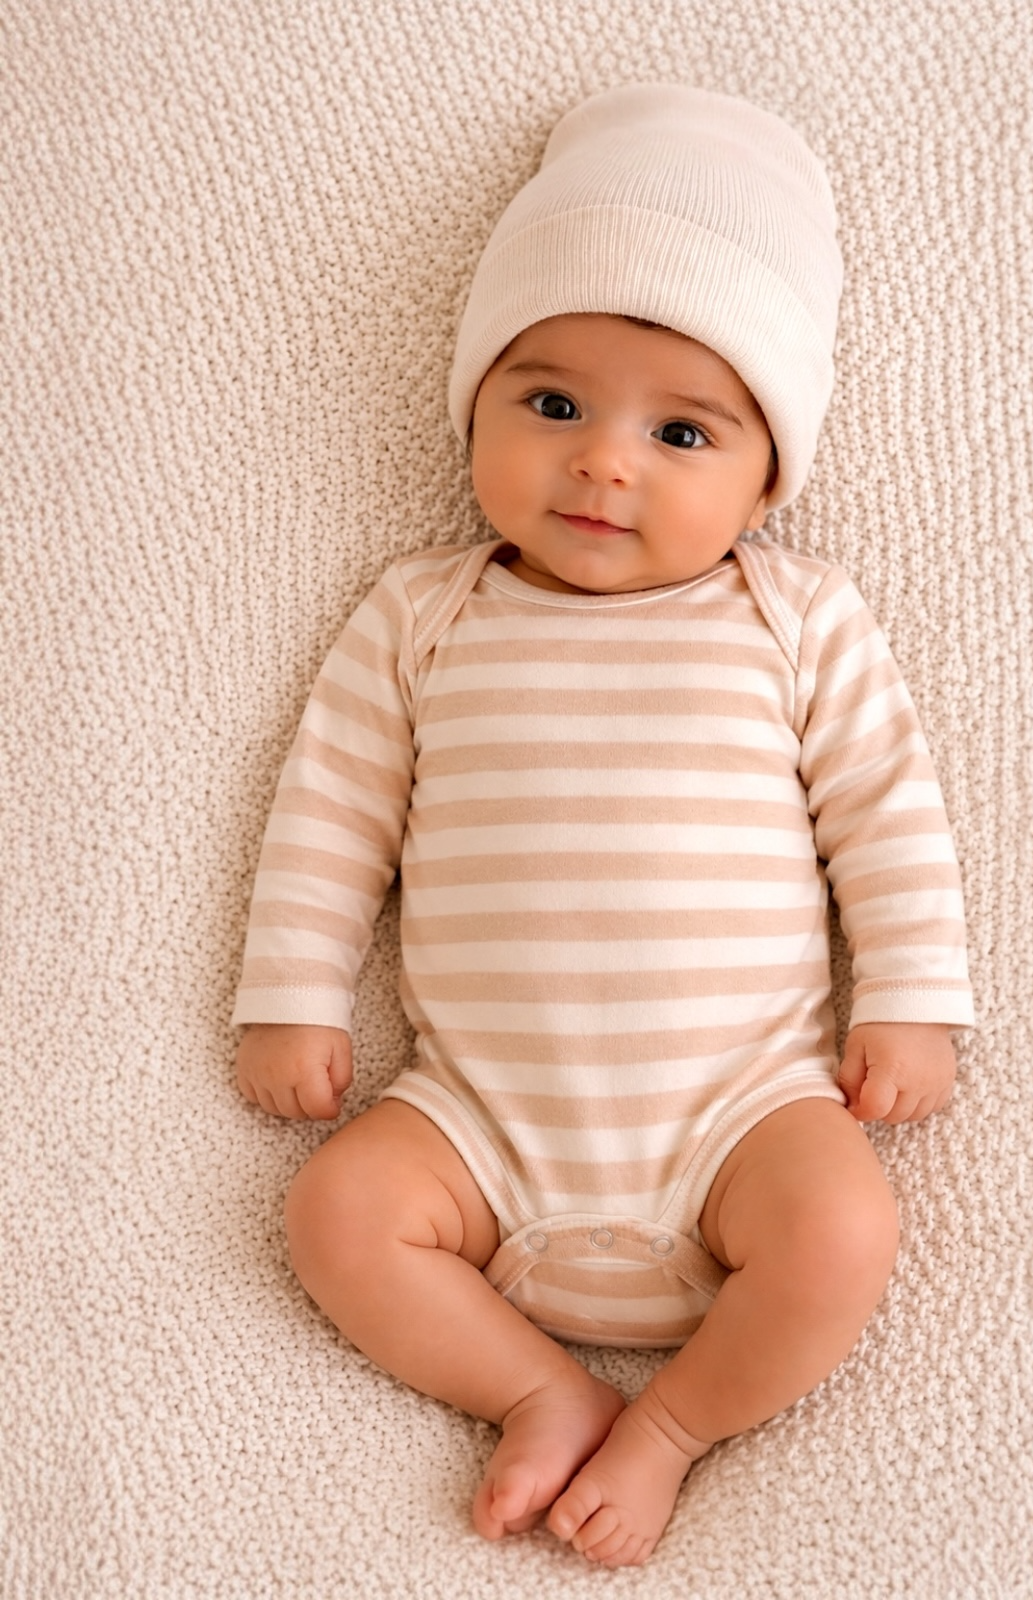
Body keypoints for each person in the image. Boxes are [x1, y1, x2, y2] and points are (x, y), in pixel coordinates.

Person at [232, 84, 973, 1569]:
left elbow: (885, 814)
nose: (604, 462)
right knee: (335, 1212)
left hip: (737, 1114)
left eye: (683, 430)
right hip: (480, 1126)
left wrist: (915, 998)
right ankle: (540, 1391)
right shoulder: (423, 615)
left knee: (844, 1237)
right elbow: (332, 811)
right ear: (476, 406)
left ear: (770, 477)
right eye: (552, 403)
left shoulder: (791, 616)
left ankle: (672, 1427)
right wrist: (291, 993)